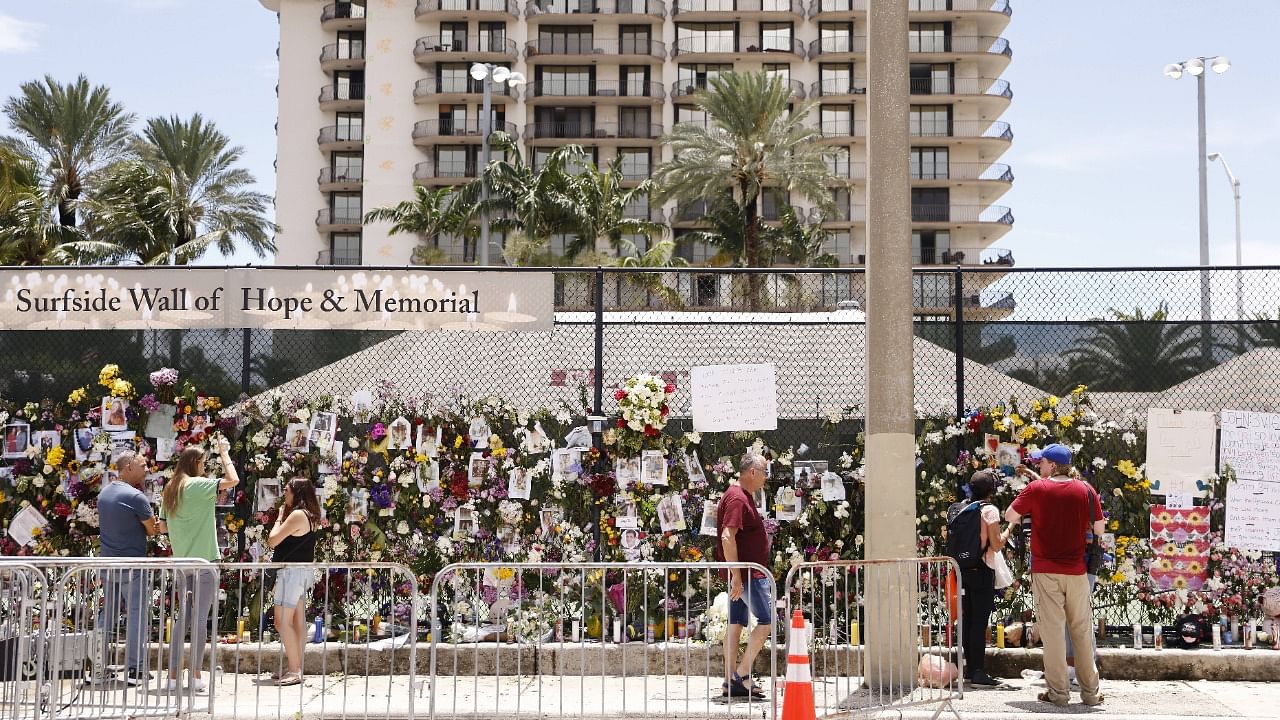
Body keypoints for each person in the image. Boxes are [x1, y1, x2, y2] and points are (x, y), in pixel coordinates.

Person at [1004, 443, 1104, 708]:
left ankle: (1059, 693)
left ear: (1050, 464)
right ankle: (1091, 693)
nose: (1039, 467)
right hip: (1077, 571)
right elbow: (1100, 527)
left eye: (1041, 463)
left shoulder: (1037, 489)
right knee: (1081, 631)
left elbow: (1010, 514)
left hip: (1046, 570)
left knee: (1053, 632)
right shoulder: (1085, 490)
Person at [160, 437, 240, 693]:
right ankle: (195, 675)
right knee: (200, 620)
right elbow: (233, 480)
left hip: (182, 563)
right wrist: (224, 453)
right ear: (195, 463)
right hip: (205, 561)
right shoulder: (199, 485)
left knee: (182, 619)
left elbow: (161, 526)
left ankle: (173, 677)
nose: (205, 468)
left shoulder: (170, 488)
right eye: (204, 463)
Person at [93, 451, 165, 686]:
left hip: (109, 564)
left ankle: (96, 666)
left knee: (108, 615)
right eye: (142, 465)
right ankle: (136, 669)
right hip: (133, 567)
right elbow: (152, 530)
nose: (146, 470)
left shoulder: (104, 494)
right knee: (136, 615)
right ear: (127, 467)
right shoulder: (136, 497)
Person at [715, 452, 772, 700]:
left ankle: (730, 681)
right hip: (748, 575)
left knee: (736, 623)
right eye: (765, 472)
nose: (766, 478)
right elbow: (728, 536)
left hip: (744, 573)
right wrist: (737, 576)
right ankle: (742, 674)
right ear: (752, 472)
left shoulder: (739, 495)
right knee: (766, 622)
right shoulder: (738, 498)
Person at [266, 477, 321, 687]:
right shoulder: (310, 515)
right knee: (297, 621)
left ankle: (294, 669)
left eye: (287, 490)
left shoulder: (297, 514)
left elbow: (272, 540)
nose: (284, 494)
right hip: (301, 572)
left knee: (281, 621)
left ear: (296, 493)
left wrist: (280, 517)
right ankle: (295, 665)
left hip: (292, 574)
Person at [955, 468, 1008, 687]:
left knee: (967, 620)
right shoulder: (990, 511)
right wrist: (1009, 529)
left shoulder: (962, 508)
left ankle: (968, 669)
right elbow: (996, 545)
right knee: (979, 621)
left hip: (962, 568)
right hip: (982, 569)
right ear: (991, 491)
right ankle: (978, 672)